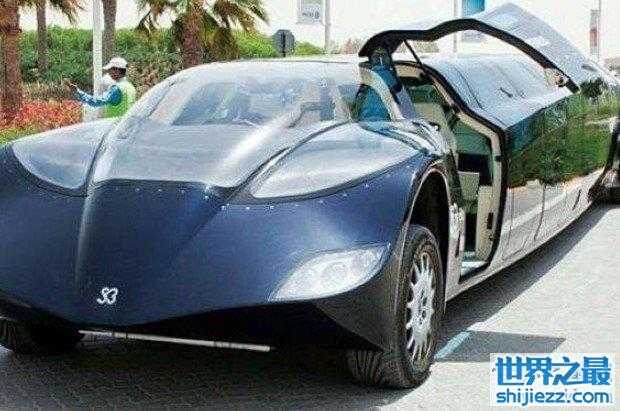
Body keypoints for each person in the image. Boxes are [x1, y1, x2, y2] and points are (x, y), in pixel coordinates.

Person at [70, 57, 136, 118]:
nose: (109, 72)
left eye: (110, 70)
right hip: (127, 125)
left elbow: (95, 102)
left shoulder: (116, 89)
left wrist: (78, 92)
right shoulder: (130, 87)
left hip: (115, 124)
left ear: (117, 71)